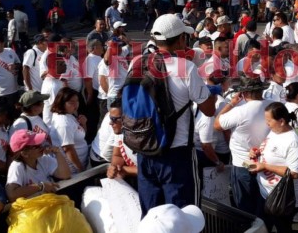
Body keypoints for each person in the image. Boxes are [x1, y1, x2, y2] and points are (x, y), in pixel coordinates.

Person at [137, 14, 216, 214]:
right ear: (181, 39)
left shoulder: (137, 62)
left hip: (144, 149)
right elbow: (209, 110)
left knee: (152, 216)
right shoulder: (186, 68)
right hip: (176, 153)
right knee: (184, 215)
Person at [214, 75, 272, 215]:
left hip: (243, 164)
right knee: (263, 202)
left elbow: (217, 124)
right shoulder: (274, 106)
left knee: (245, 207)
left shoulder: (240, 111)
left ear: (244, 93)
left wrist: (232, 103)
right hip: (266, 162)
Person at [249, 102, 298, 232]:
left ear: (281, 121)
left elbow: (295, 173)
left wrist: (265, 166)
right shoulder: (274, 131)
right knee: (262, 226)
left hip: (283, 198)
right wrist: (257, 152)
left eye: (269, 120)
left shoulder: (294, 142)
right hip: (266, 193)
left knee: (282, 228)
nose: (266, 123)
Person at [5, 129, 71, 202]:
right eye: (36, 146)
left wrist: (57, 152)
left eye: (40, 143)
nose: (41, 147)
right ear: (24, 154)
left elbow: (65, 175)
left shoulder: (43, 159)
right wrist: (41, 186)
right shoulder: (17, 166)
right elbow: (11, 194)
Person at [49, 87, 89, 174]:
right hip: (74, 170)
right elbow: (68, 149)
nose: (76, 104)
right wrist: (81, 170)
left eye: (77, 101)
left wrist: (83, 124)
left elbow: (80, 135)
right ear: (62, 103)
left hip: (81, 162)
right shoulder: (64, 123)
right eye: (71, 102)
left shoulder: (68, 114)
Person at [105, 101, 138, 182]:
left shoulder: (140, 139)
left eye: (114, 119)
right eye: (110, 118)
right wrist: (115, 168)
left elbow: (149, 170)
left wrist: (124, 170)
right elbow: (117, 155)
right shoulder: (119, 132)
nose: (110, 123)